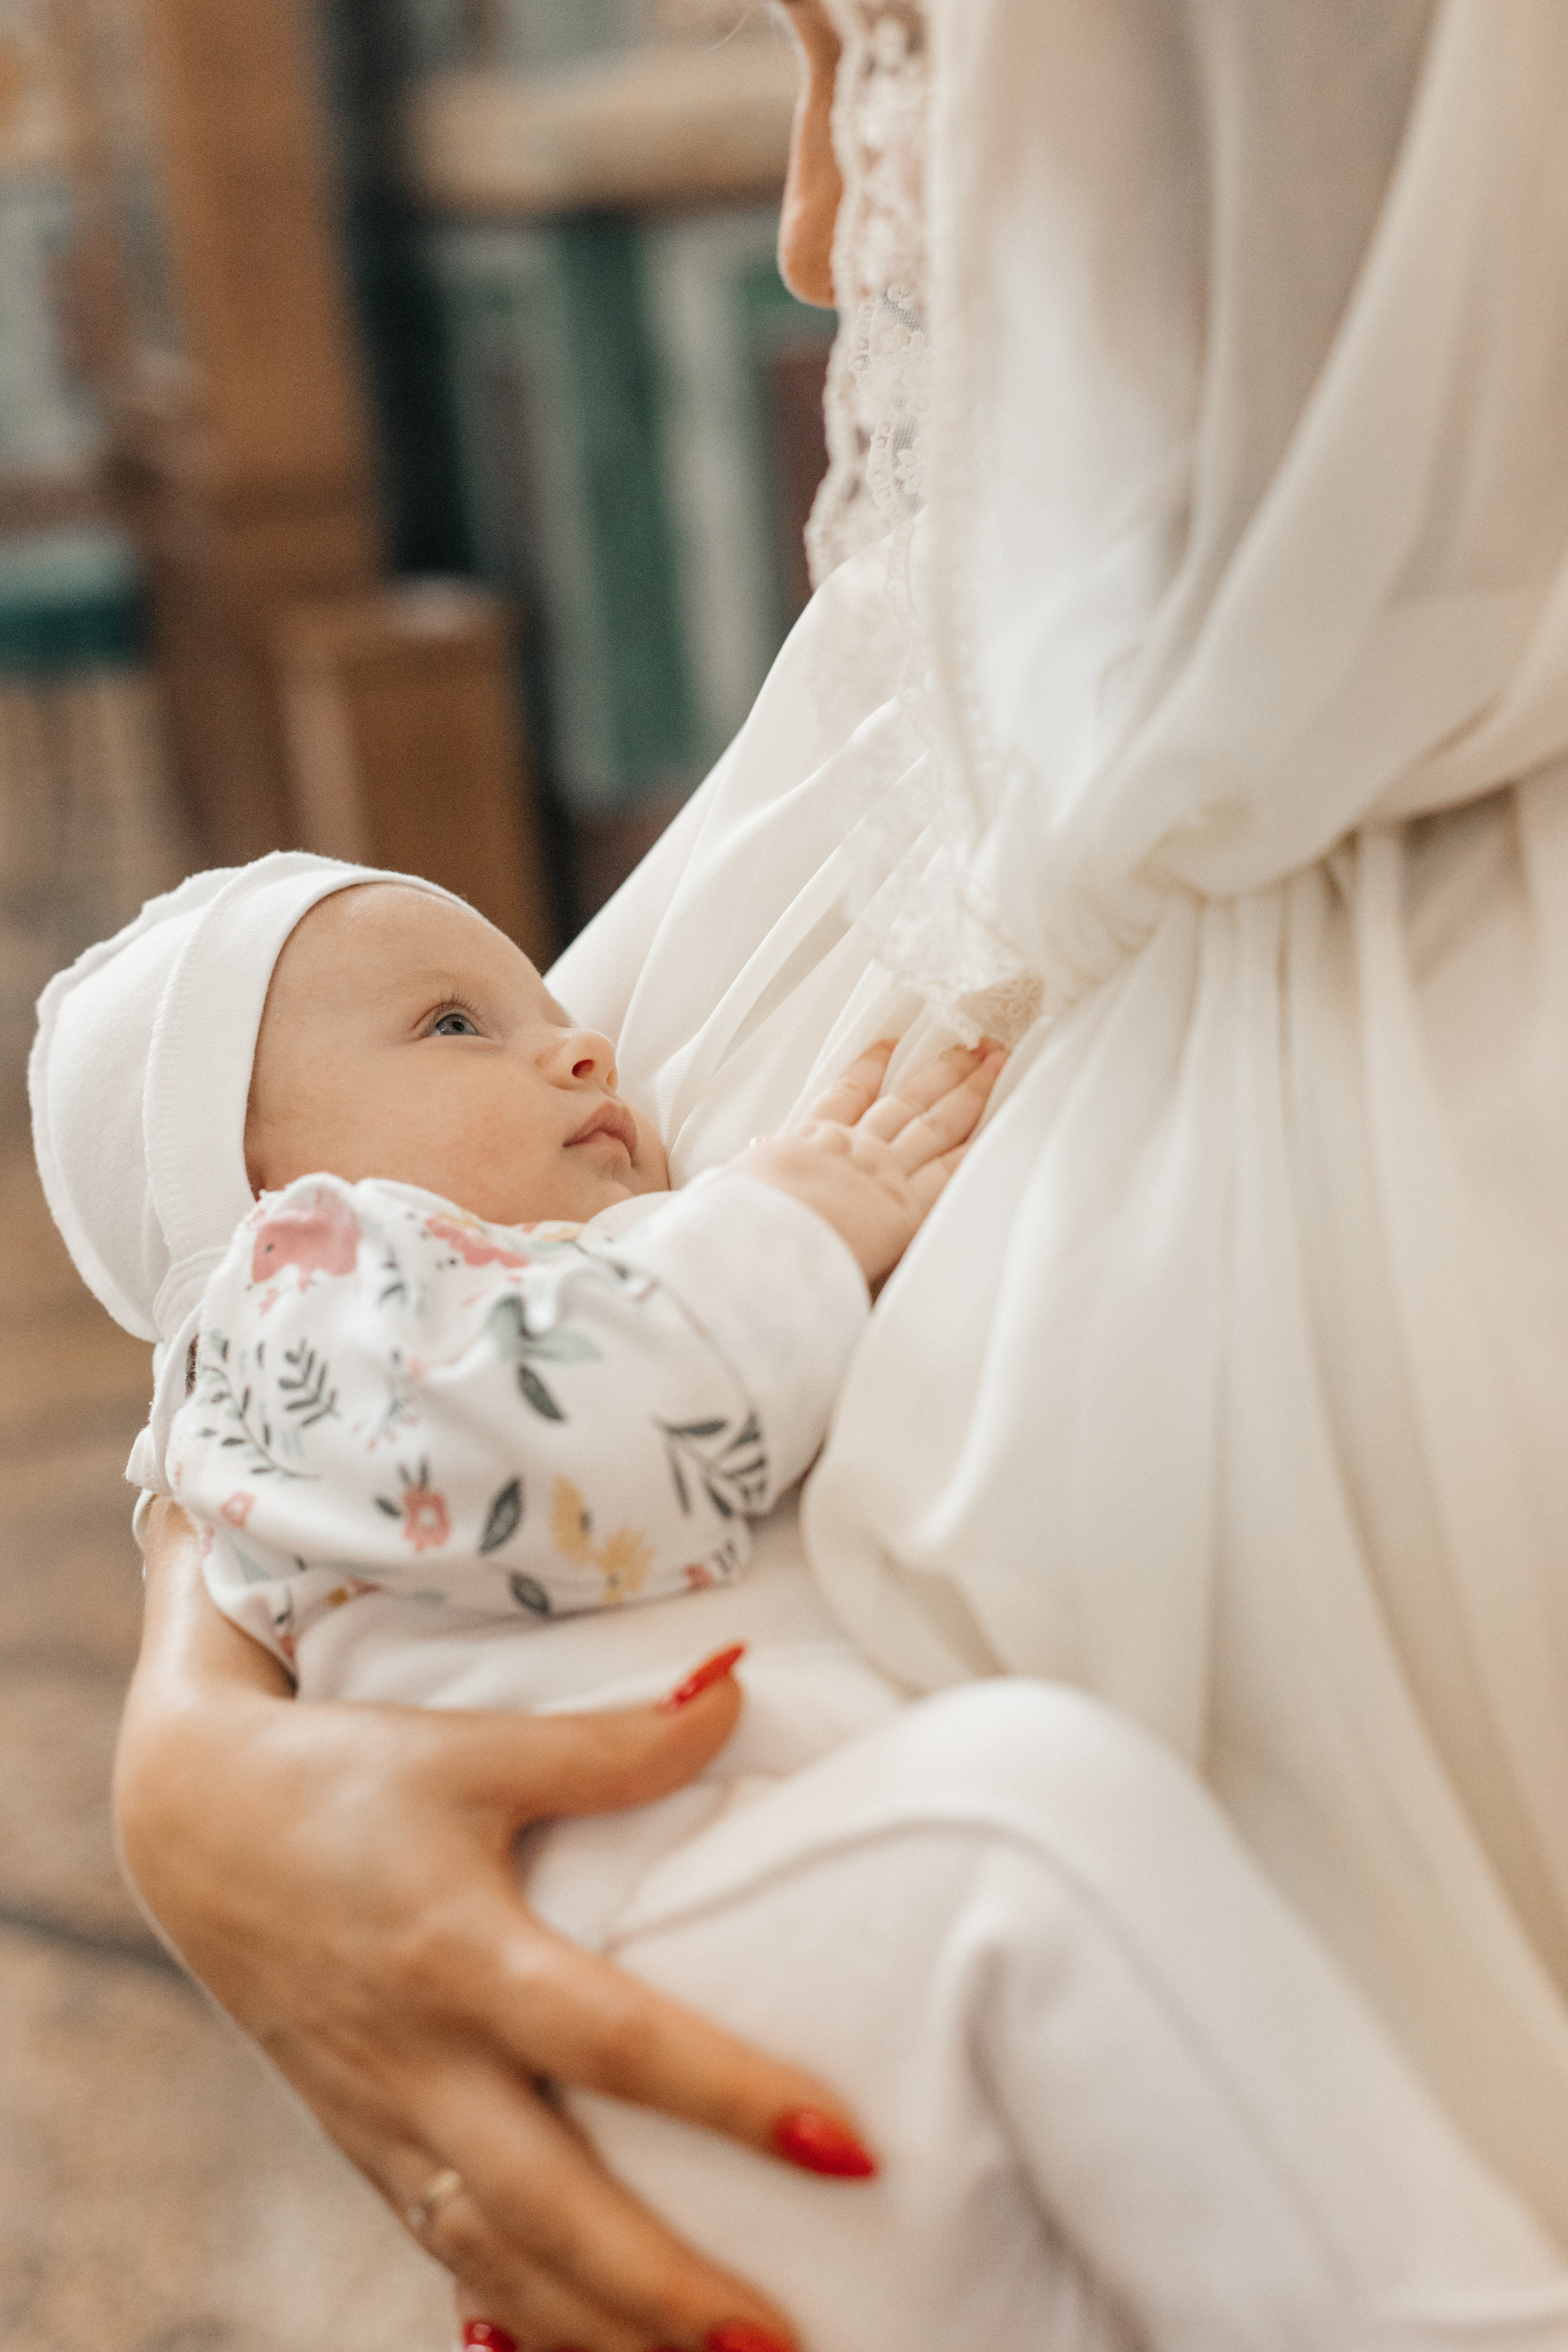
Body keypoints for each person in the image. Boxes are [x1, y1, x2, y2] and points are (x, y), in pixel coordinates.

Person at [106, 1, 1568, 2345]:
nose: (809, 234)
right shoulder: (927, 682)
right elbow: (325, 1315)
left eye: (886, 56)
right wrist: (196, 1771)